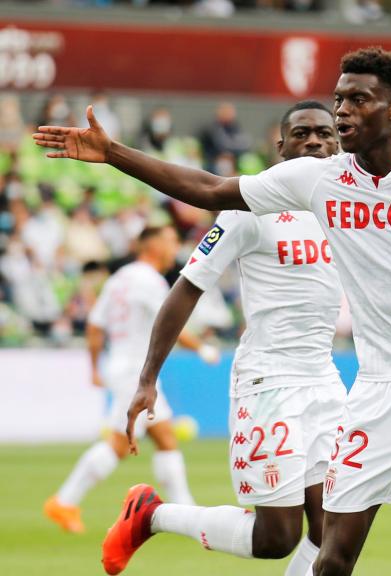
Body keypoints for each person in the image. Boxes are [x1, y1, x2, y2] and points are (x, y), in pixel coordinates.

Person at [34, 46, 391, 576]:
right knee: (326, 554)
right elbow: (208, 189)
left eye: (356, 99)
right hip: (372, 391)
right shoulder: (317, 182)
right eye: (338, 99)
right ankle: (154, 515)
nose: (341, 112)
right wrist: (112, 154)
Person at [98, 101, 346, 576]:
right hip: (269, 383)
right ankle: (151, 515)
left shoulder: (341, 207)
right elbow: (187, 287)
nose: (314, 141)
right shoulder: (251, 207)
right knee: (276, 537)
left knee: (331, 530)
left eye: (324, 133)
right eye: (302, 134)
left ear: (338, 143)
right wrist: (148, 377)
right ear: (281, 147)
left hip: (325, 383)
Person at [43, 225, 220, 534]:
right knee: (119, 444)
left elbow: (95, 326)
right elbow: (170, 322)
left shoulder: (119, 279)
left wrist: (95, 367)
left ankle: (186, 511)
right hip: (136, 374)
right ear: (151, 246)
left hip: (125, 367)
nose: (174, 247)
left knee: (165, 436)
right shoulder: (149, 280)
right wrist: (203, 348)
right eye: (170, 240)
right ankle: (64, 501)